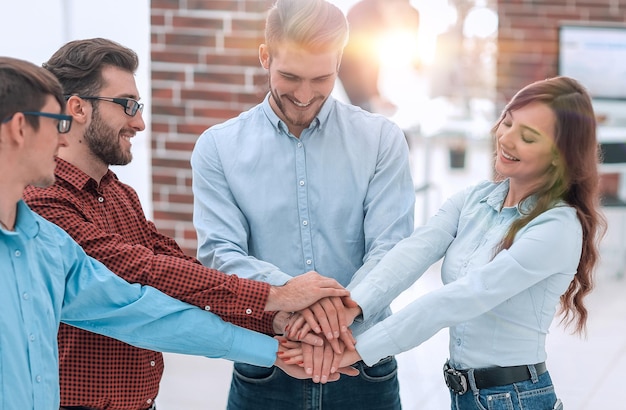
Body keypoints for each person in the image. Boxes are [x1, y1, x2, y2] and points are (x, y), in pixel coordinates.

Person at [0, 56, 355, 410]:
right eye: (53, 121)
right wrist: (276, 296)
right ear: (19, 128)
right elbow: (144, 272)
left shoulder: (54, 240)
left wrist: (275, 334)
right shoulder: (45, 209)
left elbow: (141, 313)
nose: (139, 122)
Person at [282, 76, 606, 410]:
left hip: (516, 399)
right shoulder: (475, 200)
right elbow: (410, 253)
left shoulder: (557, 226)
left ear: (558, 156)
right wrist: (345, 311)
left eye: (528, 137)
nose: (507, 139)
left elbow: (460, 298)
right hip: (467, 395)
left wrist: (354, 349)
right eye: (507, 122)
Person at [190, 0, 416, 408]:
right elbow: (220, 252)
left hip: (364, 364)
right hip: (266, 366)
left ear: (340, 61)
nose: (304, 94)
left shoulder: (382, 139)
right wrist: (291, 302)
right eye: (290, 76)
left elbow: (392, 248)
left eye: (321, 78)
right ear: (265, 57)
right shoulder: (218, 147)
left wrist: (339, 316)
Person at [338, 0, 420, 115]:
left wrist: (419, 67)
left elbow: (414, 45)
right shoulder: (364, 14)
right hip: (348, 61)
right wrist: (373, 97)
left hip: (368, 61)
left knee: (375, 106)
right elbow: (364, 60)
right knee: (365, 108)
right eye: (398, 12)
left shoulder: (412, 13)